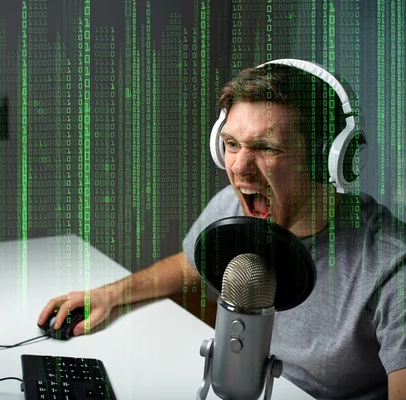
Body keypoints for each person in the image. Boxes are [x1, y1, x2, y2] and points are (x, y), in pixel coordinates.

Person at [37, 59, 406, 399]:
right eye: (231, 144)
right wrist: (110, 295)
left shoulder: (392, 266)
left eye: (267, 148)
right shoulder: (234, 207)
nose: (240, 168)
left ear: (332, 159)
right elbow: (188, 264)